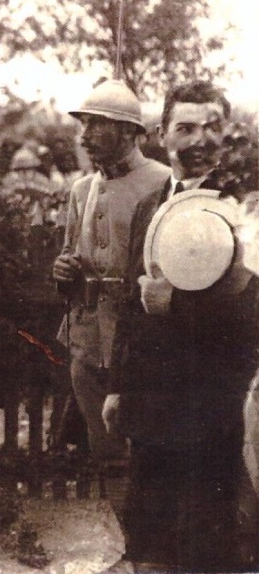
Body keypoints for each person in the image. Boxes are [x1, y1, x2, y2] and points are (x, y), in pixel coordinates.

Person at [103, 80, 257, 572]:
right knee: (149, 543)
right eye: (185, 128)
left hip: (216, 405)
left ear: (227, 133)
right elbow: (131, 305)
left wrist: (176, 304)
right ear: (161, 135)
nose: (200, 140)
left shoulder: (246, 208)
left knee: (206, 543)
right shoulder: (149, 206)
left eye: (212, 127)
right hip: (152, 402)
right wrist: (117, 387)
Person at [51, 79, 170, 524]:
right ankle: (129, 545)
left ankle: (156, 545)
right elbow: (71, 254)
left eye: (95, 125)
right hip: (87, 338)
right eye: (83, 125)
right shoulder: (81, 190)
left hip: (142, 338)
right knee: (106, 450)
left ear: (127, 131)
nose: (84, 136)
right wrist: (63, 270)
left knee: (151, 447)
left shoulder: (163, 182)